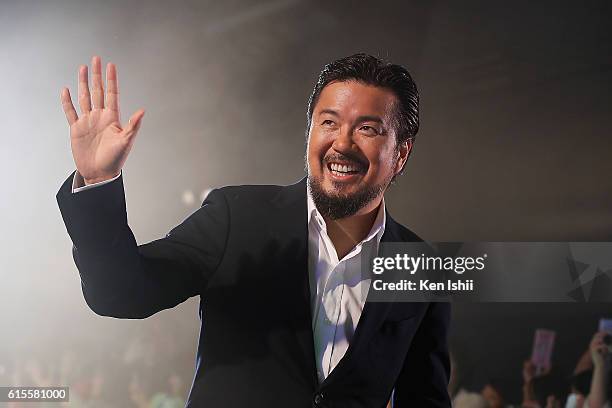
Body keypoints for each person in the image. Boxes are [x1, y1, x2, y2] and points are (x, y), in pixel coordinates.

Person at [57, 53, 451, 407]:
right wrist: (98, 182)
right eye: (328, 122)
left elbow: (425, 398)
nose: (341, 143)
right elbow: (121, 294)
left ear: (401, 152)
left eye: (368, 129)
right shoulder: (237, 216)